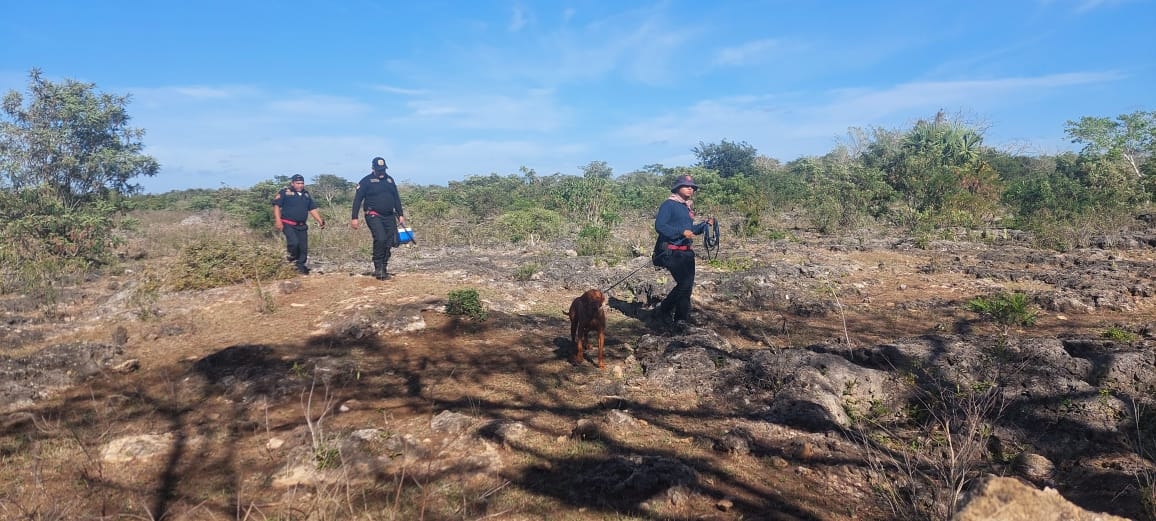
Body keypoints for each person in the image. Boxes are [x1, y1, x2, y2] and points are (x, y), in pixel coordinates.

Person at [652, 174, 714, 327]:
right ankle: (666, 309)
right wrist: (681, 232)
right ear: (678, 188)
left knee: (687, 286)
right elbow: (660, 226)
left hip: (686, 252)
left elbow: (689, 230)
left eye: (692, 187)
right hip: (671, 252)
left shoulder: (686, 206)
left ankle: (681, 319)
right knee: (685, 283)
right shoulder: (668, 204)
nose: (690, 188)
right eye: (687, 186)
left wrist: (704, 225)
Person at [350, 157, 407, 280]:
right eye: (379, 170)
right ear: (373, 169)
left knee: (389, 241)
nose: (381, 173)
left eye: (383, 170)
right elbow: (357, 200)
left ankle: (384, 267)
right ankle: (378, 267)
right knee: (380, 238)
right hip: (373, 214)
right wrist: (354, 217)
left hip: (389, 216)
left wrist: (400, 214)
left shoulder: (390, 180)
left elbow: (396, 198)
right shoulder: (366, 181)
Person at [272, 174, 326, 274]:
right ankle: (291, 261)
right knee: (293, 243)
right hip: (288, 224)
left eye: (302, 183)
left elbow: (312, 209)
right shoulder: (285, 192)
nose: (300, 185)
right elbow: (276, 206)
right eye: (297, 183)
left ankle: (300, 267)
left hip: (301, 225)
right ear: (292, 183)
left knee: (303, 248)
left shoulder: (306, 194)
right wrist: (278, 220)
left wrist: (320, 220)